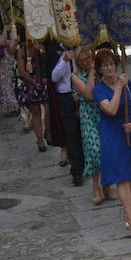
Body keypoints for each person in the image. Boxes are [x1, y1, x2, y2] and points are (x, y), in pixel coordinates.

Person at [93, 48, 131, 239]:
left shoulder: (128, 83)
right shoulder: (98, 89)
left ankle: (127, 211)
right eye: (104, 65)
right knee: (122, 177)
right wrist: (118, 88)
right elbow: (111, 109)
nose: (109, 68)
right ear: (100, 69)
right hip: (112, 136)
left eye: (111, 64)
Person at [70, 47, 110, 205]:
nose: (86, 63)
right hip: (88, 116)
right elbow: (88, 93)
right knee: (94, 150)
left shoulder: (99, 72)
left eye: (88, 59)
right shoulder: (75, 76)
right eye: (82, 61)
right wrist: (93, 73)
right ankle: (95, 188)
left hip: (102, 112)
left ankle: (106, 187)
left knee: (107, 150)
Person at [49, 45, 85, 187]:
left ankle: (88, 164)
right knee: (72, 134)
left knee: (85, 131)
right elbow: (54, 77)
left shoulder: (81, 49)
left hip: (82, 92)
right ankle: (77, 171)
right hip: (65, 97)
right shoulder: (56, 52)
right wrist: (64, 60)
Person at [14, 29, 50, 152]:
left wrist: (40, 50)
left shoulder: (41, 47)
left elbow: (46, 63)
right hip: (31, 84)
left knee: (48, 110)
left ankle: (48, 131)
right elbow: (22, 71)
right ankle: (40, 140)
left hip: (44, 82)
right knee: (36, 113)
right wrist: (33, 83)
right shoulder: (21, 52)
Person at [0, 22, 17, 116]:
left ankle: (13, 106)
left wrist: (13, 42)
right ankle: (11, 106)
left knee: (8, 82)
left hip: (8, 59)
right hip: (1, 60)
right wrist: (7, 42)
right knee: (4, 82)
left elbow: (12, 49)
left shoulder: (11, 28)